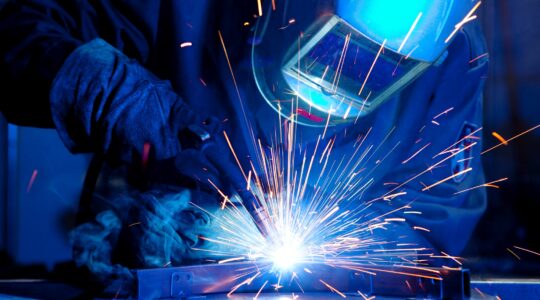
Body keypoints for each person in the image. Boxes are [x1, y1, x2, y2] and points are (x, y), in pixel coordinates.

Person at [0, 0, 489, 295]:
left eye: (382, 70)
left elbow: (430, 233)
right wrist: (109, 90)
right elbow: (15, 32)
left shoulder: (455, 54)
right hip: (137, 284)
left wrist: (318, 253)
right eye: (332, 49)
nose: (335, 85)